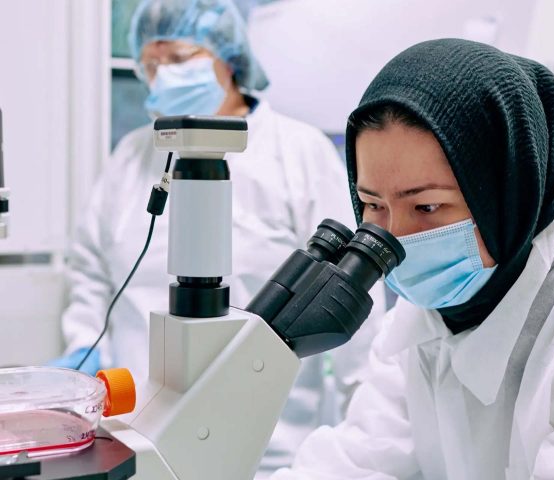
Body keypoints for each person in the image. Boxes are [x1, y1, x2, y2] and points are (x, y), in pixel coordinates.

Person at [271, 38, 554, 479]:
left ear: (506, 197)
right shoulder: (418, 323)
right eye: (372, 206)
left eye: (426, 207)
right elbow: (360, 462)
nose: (393, 237)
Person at [49, 0, 385, 476]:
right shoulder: (130, 156)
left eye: (180, 58)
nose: (163, 74)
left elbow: (347, 299)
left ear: (228, 58)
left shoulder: (297, 152)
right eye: (151, 64)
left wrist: (367, 437)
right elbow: (91, 276)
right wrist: (85, 360)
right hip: (134, 439)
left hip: (271, 452)